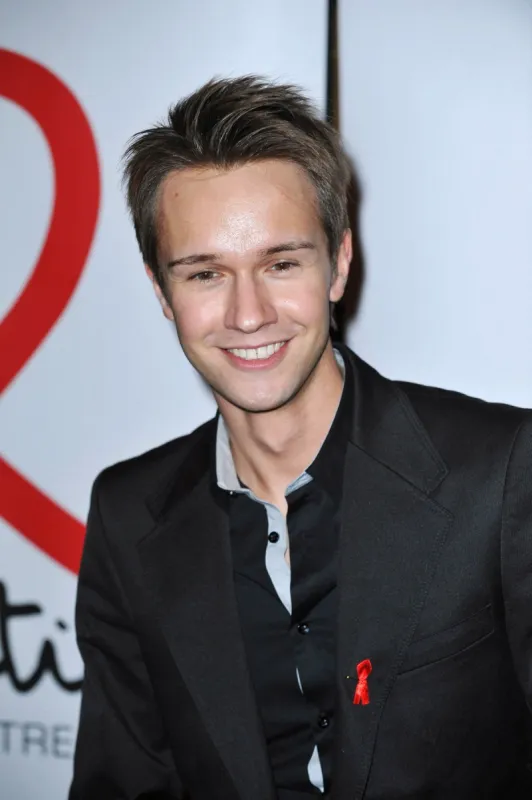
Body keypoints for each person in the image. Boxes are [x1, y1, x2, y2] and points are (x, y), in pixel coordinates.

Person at [69, 76, 532, 800]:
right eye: (205, 273)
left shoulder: (498, 470)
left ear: (339, 262)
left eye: (281, 264)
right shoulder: (130, 514)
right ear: (162, 293)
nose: (248, 314)